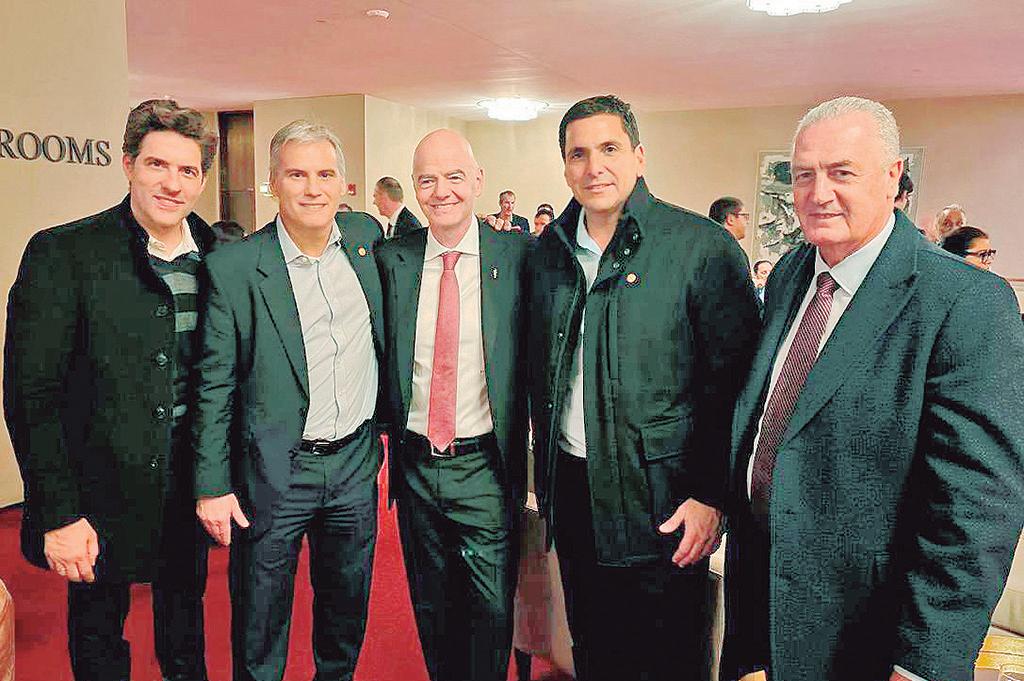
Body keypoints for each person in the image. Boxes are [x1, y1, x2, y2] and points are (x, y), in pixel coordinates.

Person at [719, 96, 1024, 681]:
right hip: (761, 590)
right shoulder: (791, 274)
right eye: (803, 175)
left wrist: (923, 662)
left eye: (842, 172)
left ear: (892, 177)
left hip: (867, 627)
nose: (818, 193)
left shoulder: (966, 302)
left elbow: (976, 507)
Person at [527, 95, 760, 681]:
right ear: (564, 167)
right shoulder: (548, 254)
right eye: (578, 154)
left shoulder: (701, 248)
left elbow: (734, 390)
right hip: (574, 488)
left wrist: (712, 496)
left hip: (665, 500)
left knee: (669, 659)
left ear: (638, 155)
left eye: (609, 149)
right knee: (594, 648)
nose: (594, 167)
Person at [4, 99, 217, 681]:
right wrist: (58, 513)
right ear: (128, 165)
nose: (172, 183)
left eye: (187, 170)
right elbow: (31, 395)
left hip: (189, 488)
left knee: (186, 636)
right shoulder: (64, 253)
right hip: (97, 495)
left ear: (202, 179)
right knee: (98, 640)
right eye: (156, 165)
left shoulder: (221, 256)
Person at [192, 120, 385, 681]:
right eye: (297, 175)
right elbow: (215, 384)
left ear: (345, 184)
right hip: (275, 470)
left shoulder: (367, 243)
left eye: (325, 174)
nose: (313, 188)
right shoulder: (234, 268)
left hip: (355, 465)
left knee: (346, 609)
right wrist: (212, 484)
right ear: (273, 183)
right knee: (261, 618)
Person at [375, 129, 532, 681]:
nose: (441, 191)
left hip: (485, 466)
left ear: (479, 181)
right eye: (427, 180)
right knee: (432, 610)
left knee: (490, 615)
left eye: (455, 177)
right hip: (415, 467)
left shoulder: (519, 258)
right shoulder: (391, 260)